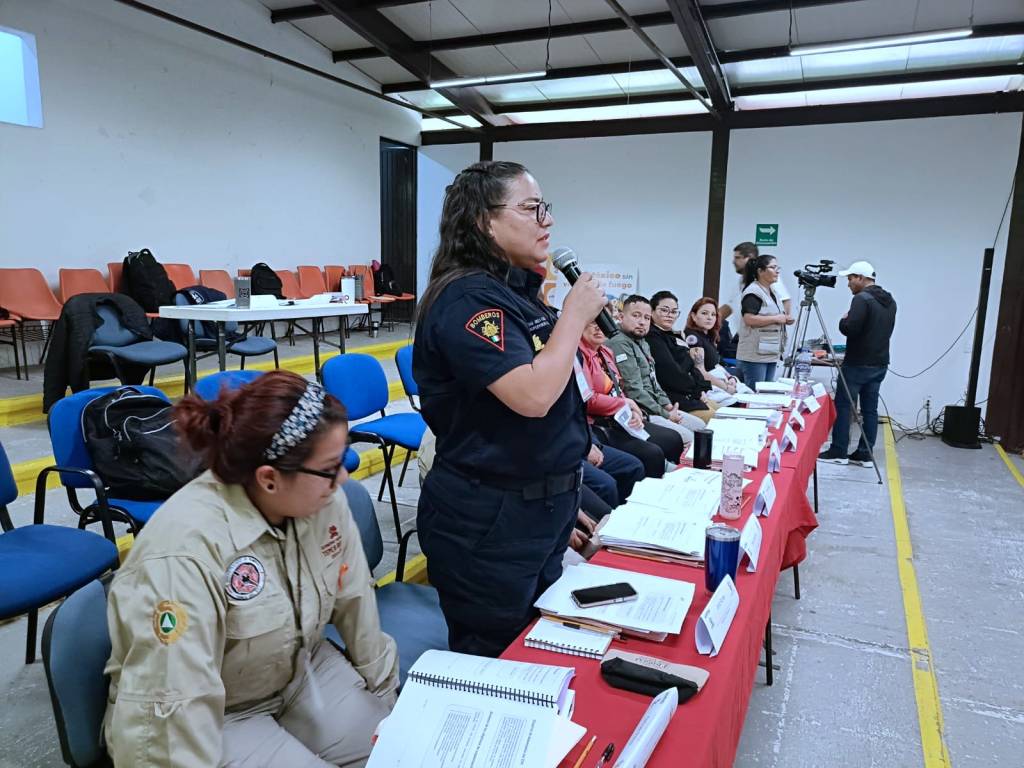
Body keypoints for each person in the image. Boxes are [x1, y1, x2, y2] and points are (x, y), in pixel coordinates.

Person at [104, 371, 398, 767]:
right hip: (217, 714)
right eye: (330, 467)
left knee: (398, 754)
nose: (342, 478)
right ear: (269, 479)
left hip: (300, 671)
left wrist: (387, 703)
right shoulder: (184, 552)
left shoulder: (321, 500)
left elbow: (355, 600)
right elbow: (173, 714)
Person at [413, 160, 607, 657]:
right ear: (484, 221)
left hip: (537, 506)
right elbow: (533, 395)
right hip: (490, 517)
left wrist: (565, 498)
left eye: (546, 208)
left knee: (535, 648)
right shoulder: (468, 300)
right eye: (530, 208)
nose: (547, 221)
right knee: (497, 660)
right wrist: (573, 315)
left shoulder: (514, 295)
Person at [578, 318, 684, 477]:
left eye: (602, 323)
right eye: (592, 322)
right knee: (652, 453)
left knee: (673, 439)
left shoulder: (606, 351)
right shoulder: (578, 354)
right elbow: (588, 400)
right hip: (595, 423)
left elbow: (618, 388)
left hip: (618, 417)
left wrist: (632, 412)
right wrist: (623, 404)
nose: (598, 328)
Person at [819, 261, 897, 467]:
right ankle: (865, 453)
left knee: (844, 406)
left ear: (862, 278)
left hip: (857, 364)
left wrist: (843, 320)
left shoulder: (862, 299)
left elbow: (851, 328)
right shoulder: (890, 301)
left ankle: (838, 450)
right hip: (879, 363)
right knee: (870, 409)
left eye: (851, 278)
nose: (848, 284)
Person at [605, 295, 703, 443]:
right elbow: (634, 390)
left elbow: (653, 380)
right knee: (689, 438)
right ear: (621, 316)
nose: (642, 322)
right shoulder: (620, 343)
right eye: (636, 316)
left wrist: (667, 405)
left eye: (646, 318)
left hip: (656, 407)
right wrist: (665, 414)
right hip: (640, 412)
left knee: (700, 427)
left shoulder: (643, 342)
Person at [647, 291, 718, 423]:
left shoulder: (672, 335)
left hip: (690, 393)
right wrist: (696, 391)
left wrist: (700, 388)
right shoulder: (653, 338)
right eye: (664, 310)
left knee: (721, 411)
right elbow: (671, 373)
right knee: (716, 418)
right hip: (674, 397)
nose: (670, 315)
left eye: (674, 312)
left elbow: (692, 366)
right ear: (652, 311)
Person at [737, 254, 792, 384]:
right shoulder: (753, 292)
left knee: (767, 392)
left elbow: (774, 316)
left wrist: (784, 318)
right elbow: (749, 319)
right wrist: (776, 318)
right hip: (755, 355)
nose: (777, 271)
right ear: (760, 271)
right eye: (773, 267)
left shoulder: (773, 291)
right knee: (755, 394)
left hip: (770, 352)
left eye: (778, 267)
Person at [720, 241, 793, 322]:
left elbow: (785, 300)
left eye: (737, 257)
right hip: (747, 332)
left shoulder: (767, 278)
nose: (733, 261)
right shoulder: (741, 281)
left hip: (764, 332)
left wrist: (778, 323)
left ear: (749, 257)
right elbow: (729, 306)